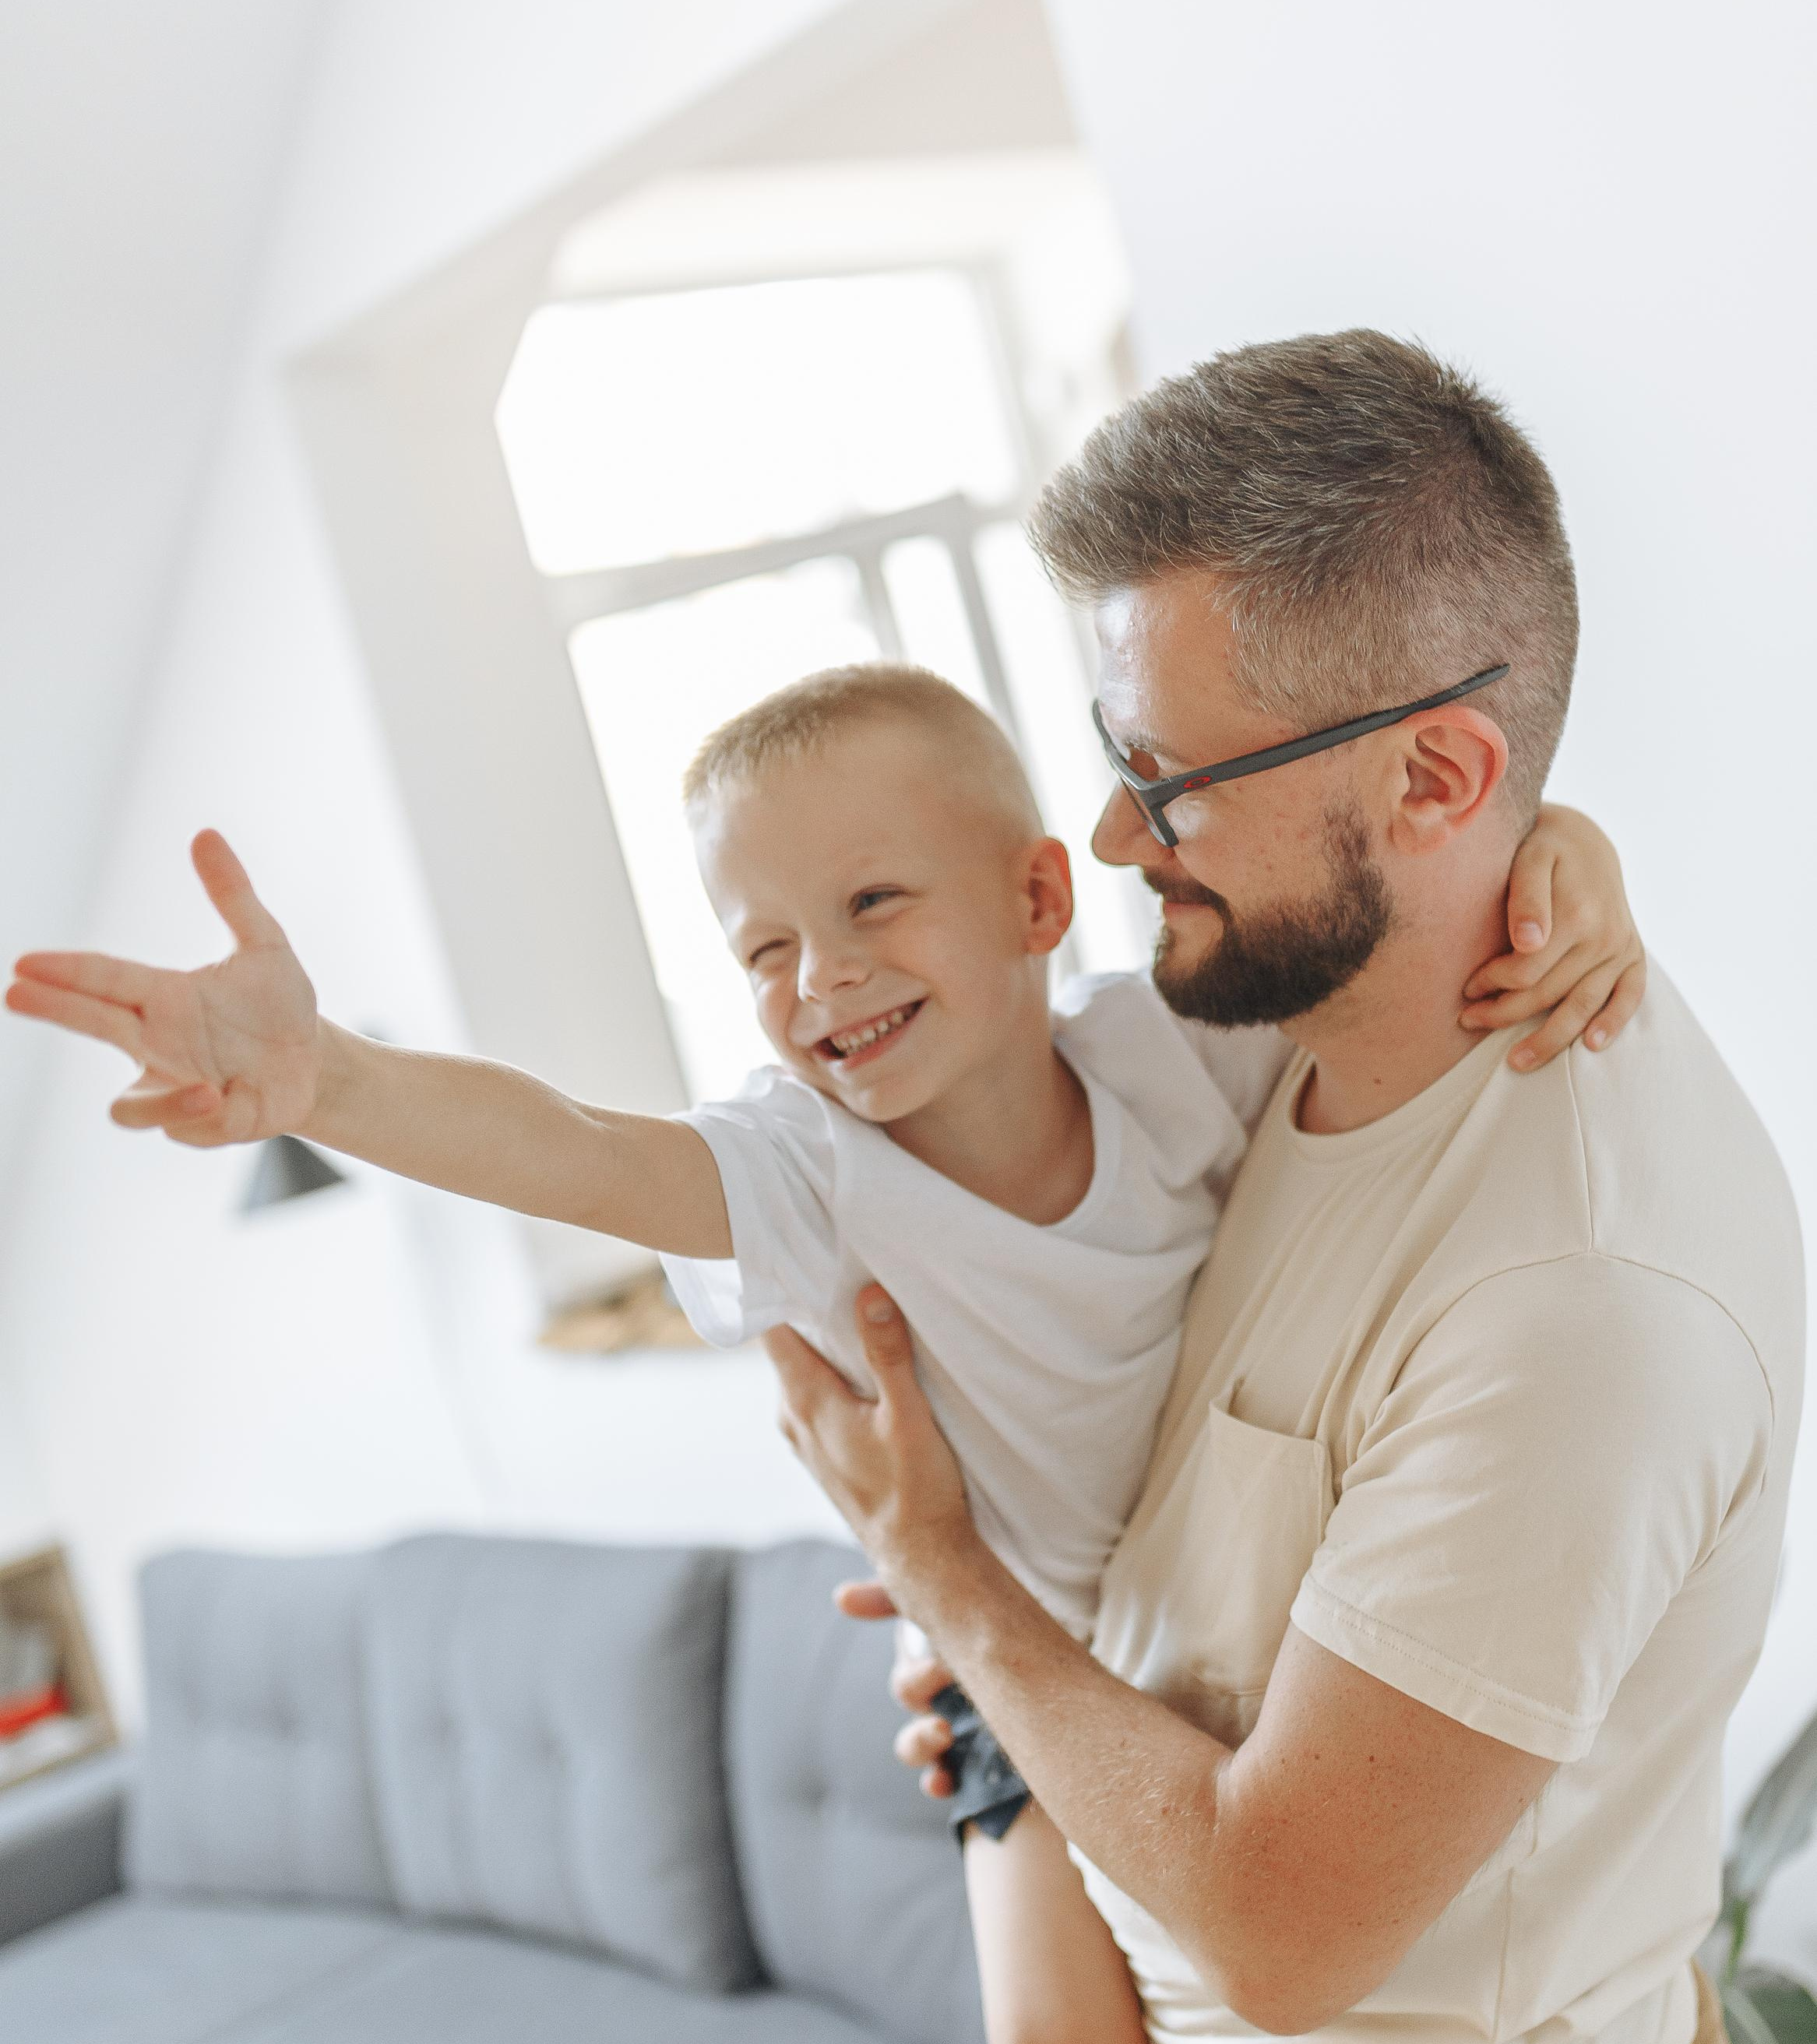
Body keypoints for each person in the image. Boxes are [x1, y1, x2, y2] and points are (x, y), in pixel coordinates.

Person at [762, 331, 1815, 2044]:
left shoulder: (1575, 1301)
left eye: (1167, 778)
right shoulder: (1281, 1037)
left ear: (1435, 771)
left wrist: (946, 1576)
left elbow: (1274, 1918)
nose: (1118, 839)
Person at [8, 667, 1628, 1856]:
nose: (820, 977)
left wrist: (1570, 850)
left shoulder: (1166, 1054)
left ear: (1038, 896)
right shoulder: (805, 1173)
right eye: (764, 948)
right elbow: (575, 1145)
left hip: (1252, 1604)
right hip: (1041, 1667)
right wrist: (331, 1087)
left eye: (870, 904)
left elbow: (1401, 932)